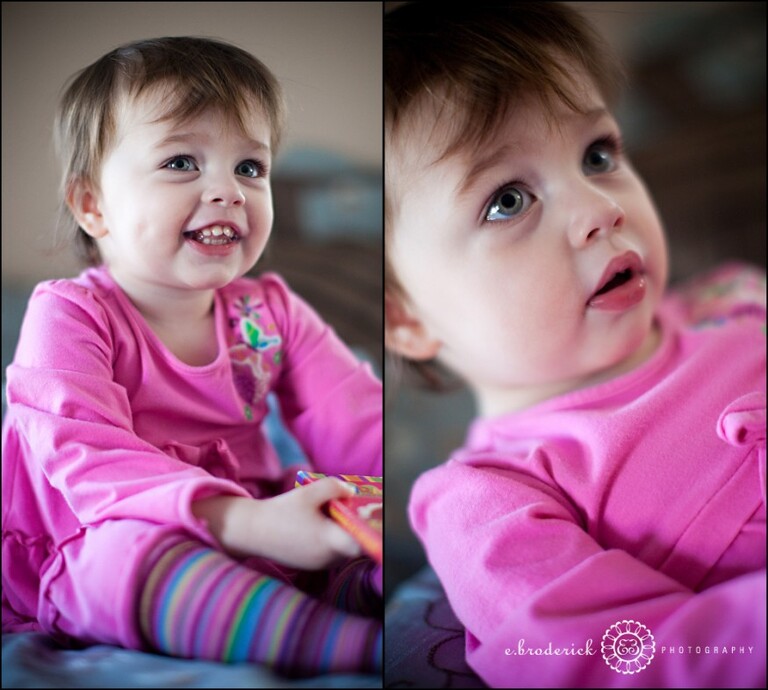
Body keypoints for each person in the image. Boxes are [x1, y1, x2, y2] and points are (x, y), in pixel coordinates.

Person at [384, 2, 765, 687]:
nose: (600, 208)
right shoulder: (487, 501)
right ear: (405, 319)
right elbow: (616, 659)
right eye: (508, 200)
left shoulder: (735, 296)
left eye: (599, 155)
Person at [2, 36, 381, 677]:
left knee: (350, 533)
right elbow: (88, 460)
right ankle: (341, 644)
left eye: (250, 168)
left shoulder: (272, 312)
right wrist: (240, 522)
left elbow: (357, 417)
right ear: (93, 205)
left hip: (256, 527)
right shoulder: (69, 314)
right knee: (125, 562)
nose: (228, 190)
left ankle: (348, 595)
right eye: (182, 162)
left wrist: (381, 504)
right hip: (91, 537)